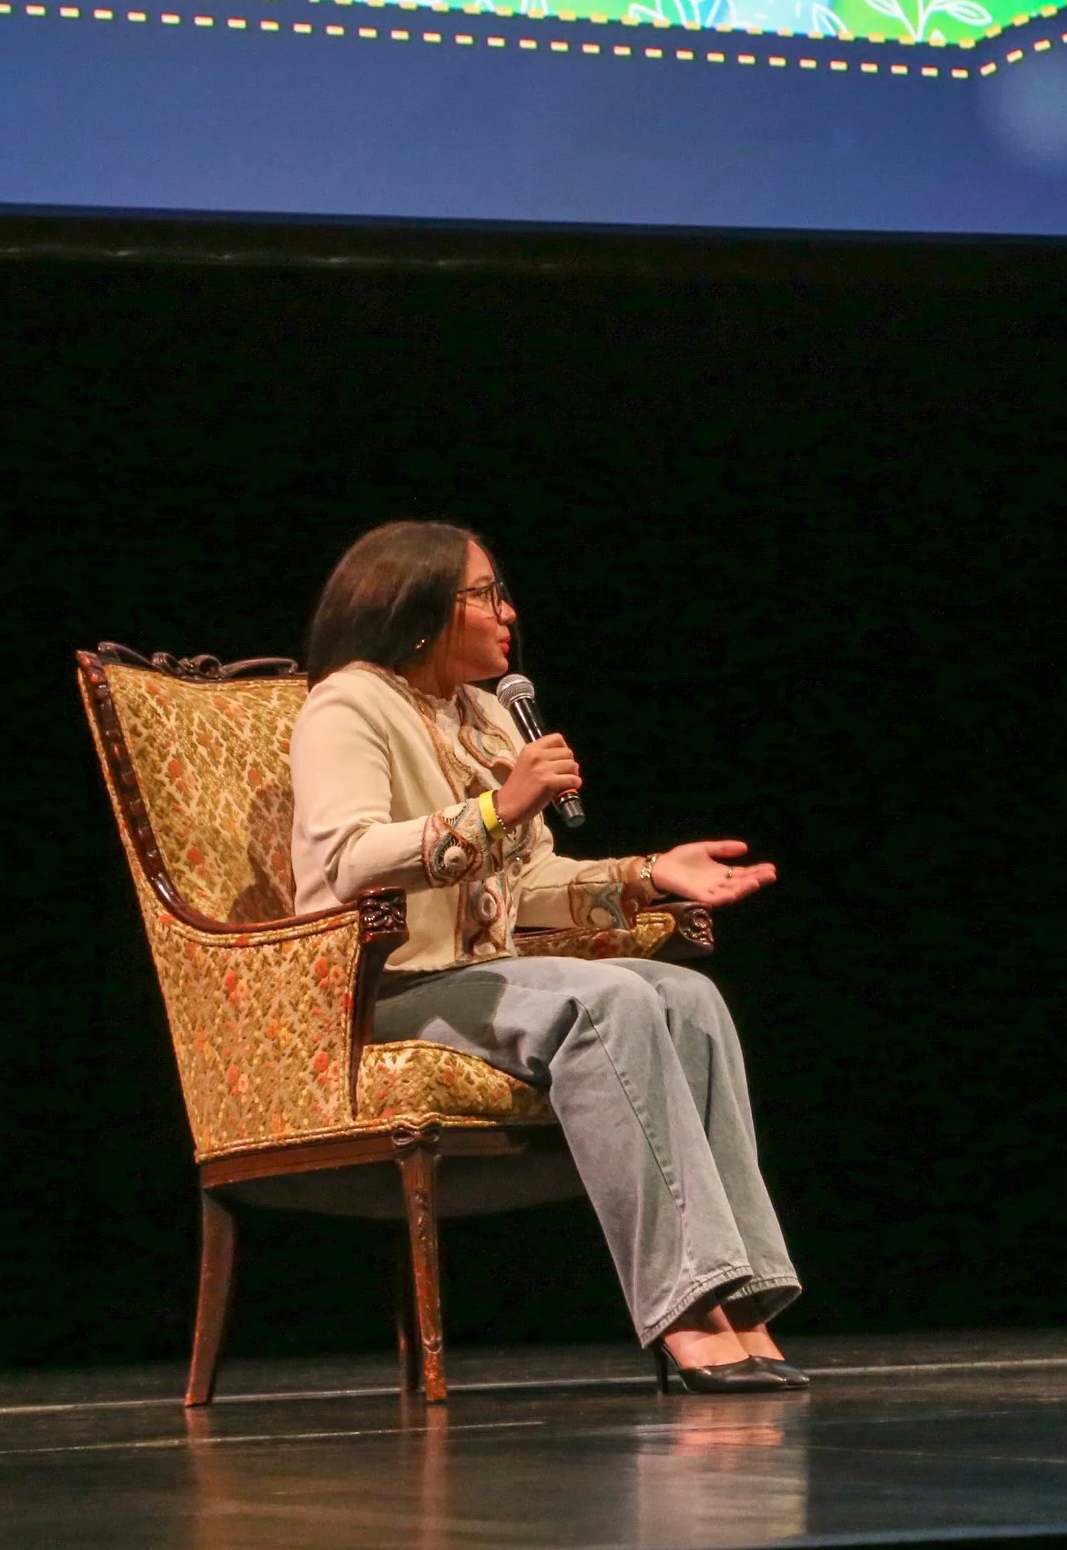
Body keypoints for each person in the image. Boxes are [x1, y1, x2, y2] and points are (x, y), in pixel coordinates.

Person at [288, 521, 802, 1393]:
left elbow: (526, 886)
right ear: (415, 604)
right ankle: (683, 1303)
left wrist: (647, 874)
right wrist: (497, 808)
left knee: (688, 996)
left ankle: (738, 1292)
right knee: (606, 1001)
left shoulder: (480, 714)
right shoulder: (349, 704)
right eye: (485, 593)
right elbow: (346, 864)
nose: (508, 612)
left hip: (480, 977)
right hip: (383, 987)